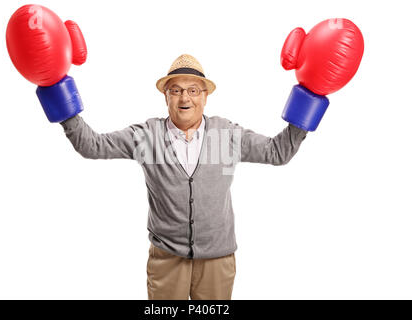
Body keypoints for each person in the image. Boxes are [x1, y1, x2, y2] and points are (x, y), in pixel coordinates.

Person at [60, 54, 308, 299]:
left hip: (217, 260)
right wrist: (58, 93)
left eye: (193, 90)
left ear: (205, 96)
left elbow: (277, 152)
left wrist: (310, 100)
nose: (184, 98)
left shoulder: (226, 134)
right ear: (165, 96)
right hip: (166, 259)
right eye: (176, 90)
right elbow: (92, 146)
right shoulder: (147, 136)